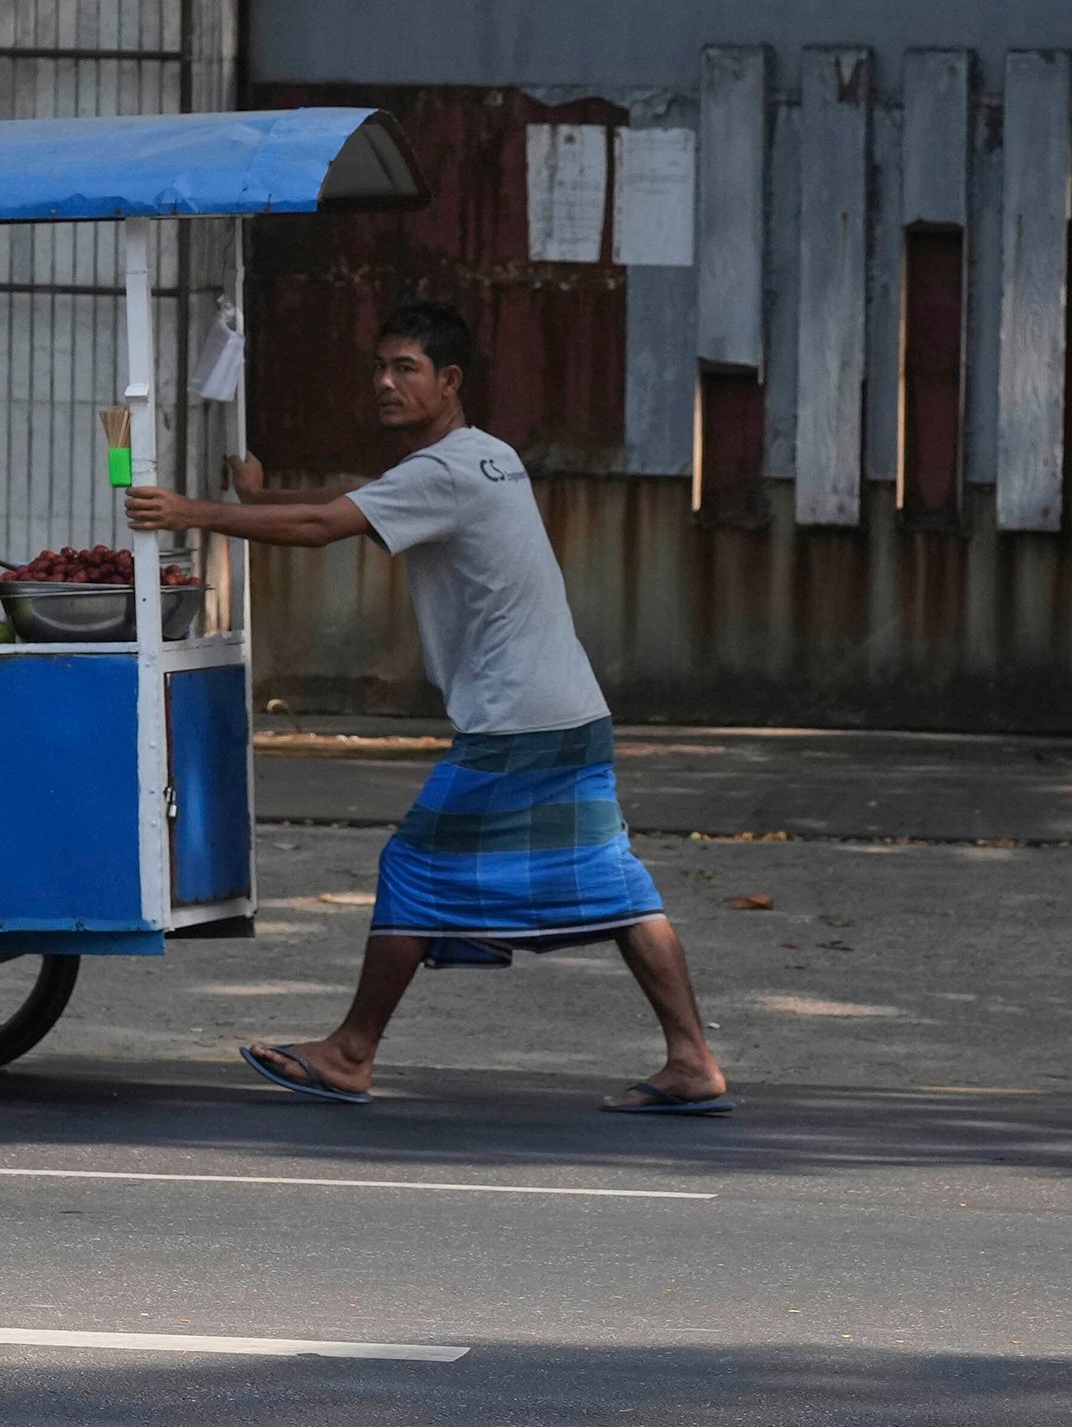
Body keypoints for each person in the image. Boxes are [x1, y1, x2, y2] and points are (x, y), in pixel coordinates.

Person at [127, 298, 732, 1114]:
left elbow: (324, 525)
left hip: (519, 722)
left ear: (448, 380)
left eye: (404, 368)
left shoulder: (444, 471)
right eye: (379, 367)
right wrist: (264, 498)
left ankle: (349, 1052)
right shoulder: (486, 456)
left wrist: (194, 513)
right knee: (615, 883)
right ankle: (692, 1059)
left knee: (415, 866)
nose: (384, 382)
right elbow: (357, 497)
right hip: (568, 711)